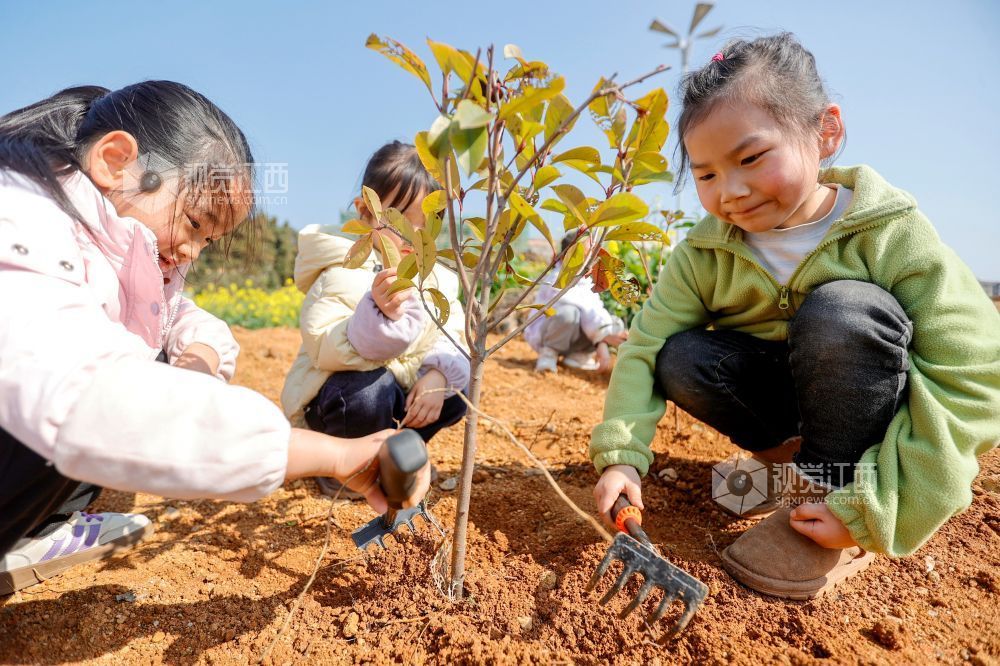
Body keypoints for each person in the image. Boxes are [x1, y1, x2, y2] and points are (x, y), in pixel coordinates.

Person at [590, 34, 1000, 600]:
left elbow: (973, 374)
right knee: (679, 354)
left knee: (844, 313)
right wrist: (621, 458)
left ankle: (839, 493)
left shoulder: (889, 234)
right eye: (705, 174)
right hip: (796, 401)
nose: (730, 191)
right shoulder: (705, 254)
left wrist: (882, 508)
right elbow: (643, 344)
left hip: (878, 405)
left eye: (751, 158)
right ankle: (795, 472)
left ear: (824, 131)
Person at [0, 83, 428, 595]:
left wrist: (195, 367)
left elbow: (188, 321)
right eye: (195, 222)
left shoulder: (99, 233)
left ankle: (31, 529)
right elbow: (88, 400)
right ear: (116, 161)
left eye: (208, 240)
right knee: (88, 408)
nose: (193, 252)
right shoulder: (19, 223)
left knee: (142, 355)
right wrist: (334, 456)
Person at [281, 141, 469, 499]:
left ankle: (393, 458)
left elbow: (454, 333)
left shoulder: (439, 279)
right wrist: (378, 312)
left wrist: (437, 375)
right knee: (370, 392)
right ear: (364, 213)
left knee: (454, 393)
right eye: (398, 223)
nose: (412, 238)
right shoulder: (340, 269)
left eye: (424, 227)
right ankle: (341, 469)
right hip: (339, 405)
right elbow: (325, 347)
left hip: (399, 397)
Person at [524, 233, 628, 373]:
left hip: (573, 335)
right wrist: (602, 338)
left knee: (614, 323)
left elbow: (593, 309)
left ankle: (578, 356)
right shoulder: (557, 277)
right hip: (546, 334)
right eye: (588, 250)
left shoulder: (584, 279)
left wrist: (602, 338)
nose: (592, 254)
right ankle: (548, 354)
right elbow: (580, 304)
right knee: (568, 314)